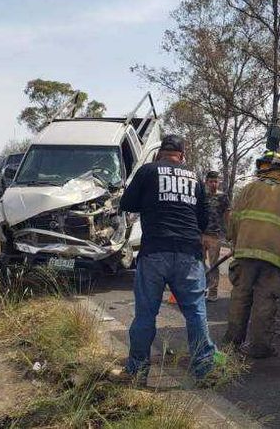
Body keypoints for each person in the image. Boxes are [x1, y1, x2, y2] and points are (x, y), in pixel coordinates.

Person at [114, 135, 218, 384]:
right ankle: (205, 370)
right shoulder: (194, 177)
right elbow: (204, 220)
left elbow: (127, 203)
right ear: (181, 156)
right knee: (195, 313)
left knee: (145, 315)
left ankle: (137, 372)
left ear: (160, 153)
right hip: (188, 255)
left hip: (154, 253)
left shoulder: (147, 171)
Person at [223, 150, 280, 359]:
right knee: (265, 300)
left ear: (262, 168)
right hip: (273, 257)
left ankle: (232, 342)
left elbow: (233, 220)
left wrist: (235, 241)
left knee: (241, 297)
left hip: (245, 252)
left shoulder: (248, 190)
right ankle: (259, 347)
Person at [202, 170, 231, 302]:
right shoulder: (202, 196)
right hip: (201, 234)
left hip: (215, 235)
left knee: (214, 264)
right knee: (199, 263)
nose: (214, 184)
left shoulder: (223, 197)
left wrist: (229, 232)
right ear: (206, 182)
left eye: (216, 181)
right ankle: (201, 287)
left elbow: (227, 216)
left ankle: (213, 291)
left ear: (218, 182)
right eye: (211, 181)